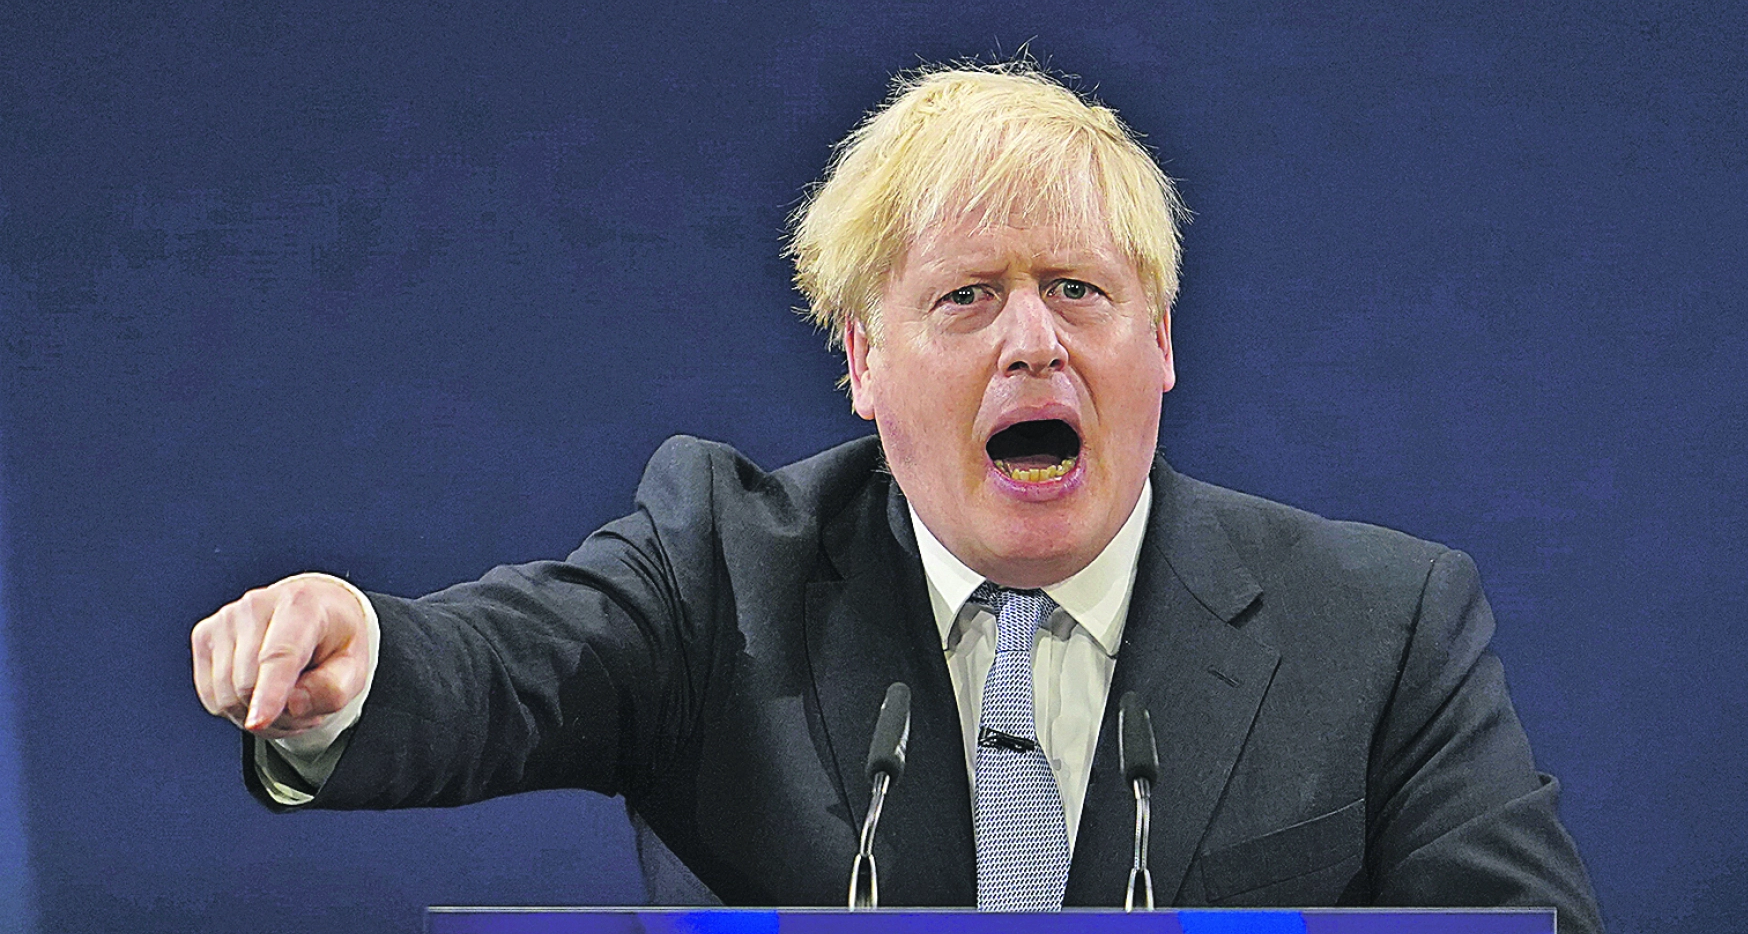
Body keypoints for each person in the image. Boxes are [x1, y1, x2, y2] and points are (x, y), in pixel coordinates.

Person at [190, 62, 1603, 931]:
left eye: (1078, 289)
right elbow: (512, 661)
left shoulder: (1380, 626)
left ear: (1162, 341)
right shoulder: (723, 571)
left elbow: (1524, 925)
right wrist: (362, 659)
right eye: (968, 297)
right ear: (863, 361)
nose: (1033, 341)